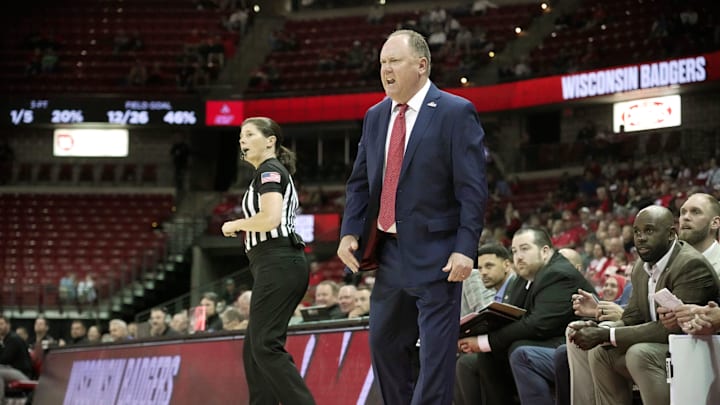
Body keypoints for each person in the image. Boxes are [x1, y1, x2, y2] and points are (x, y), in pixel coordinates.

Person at [336, 29, 488, 405]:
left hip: (439, 255)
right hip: (389, 254)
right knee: (384, 346)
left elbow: (472, 189)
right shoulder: (375, 116)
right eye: (382, 63)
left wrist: (465, 248)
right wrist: (349, 232)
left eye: (394, 62)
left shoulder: (455, 111)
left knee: (435, 358)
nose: (385, 70)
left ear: (421, 65)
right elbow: (359, 183)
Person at [568, 205, 719, 405]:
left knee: (638, 353)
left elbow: (673, 330)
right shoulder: (641, 266)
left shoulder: (690, 265)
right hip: (660, 346)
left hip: (693, 348)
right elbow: (632, 317)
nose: (640, 238)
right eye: (637, 232)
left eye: (649, 231)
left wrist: (606, 334)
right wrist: (600, 329)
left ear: (671, 234)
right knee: (600, 350)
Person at [221, 116, 315, 405]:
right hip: (274, 264)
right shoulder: (267, 173)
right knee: (254, 351)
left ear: (270, 141)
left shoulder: (269, 172)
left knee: (264, 346)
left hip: (279, 262)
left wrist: (235, 225)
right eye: (240, 136)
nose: (242, 141)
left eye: (249, 135)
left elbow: (271, 218)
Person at [457, 227, 593, 405]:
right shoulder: (525, 276)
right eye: (514, 251)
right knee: (485, 357)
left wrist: (484, 342)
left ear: (544, 251)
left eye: (525, 249)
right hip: (550, 341)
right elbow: (510, 316)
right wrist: (473, 335)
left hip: (576, 345)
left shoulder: (559, 274)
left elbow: (538, 325)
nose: (518, 256)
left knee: (520, 351)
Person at [455, 243, 519, 405]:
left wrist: (481, 343)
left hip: (510, 347)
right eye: (481, 267)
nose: (483, 272)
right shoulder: (498, 292)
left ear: (507, 265)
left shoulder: (516, 286)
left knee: (467, 363)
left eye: (489, 266)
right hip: (498, 345)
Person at [0, 316, 34, 404]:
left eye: (1, 324)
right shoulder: (5, 340)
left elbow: (4, 359)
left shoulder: (13, 339)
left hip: (22, 374)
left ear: (8, 325)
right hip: (11, 370)